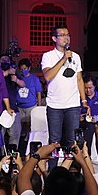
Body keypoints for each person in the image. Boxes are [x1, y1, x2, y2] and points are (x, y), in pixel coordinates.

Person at [41, 25, 88, 169]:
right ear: (54, 38)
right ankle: (53, 170)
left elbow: (79, 79)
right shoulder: (48, 56)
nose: (66, 37)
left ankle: (70, 171)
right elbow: (47, 76)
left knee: (72, 140)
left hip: (73, 105)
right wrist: (63, 59)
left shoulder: (76, 57)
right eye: (62, 35)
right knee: (55, 141)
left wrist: (84, 100)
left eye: (68, 34)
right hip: (55, 105)